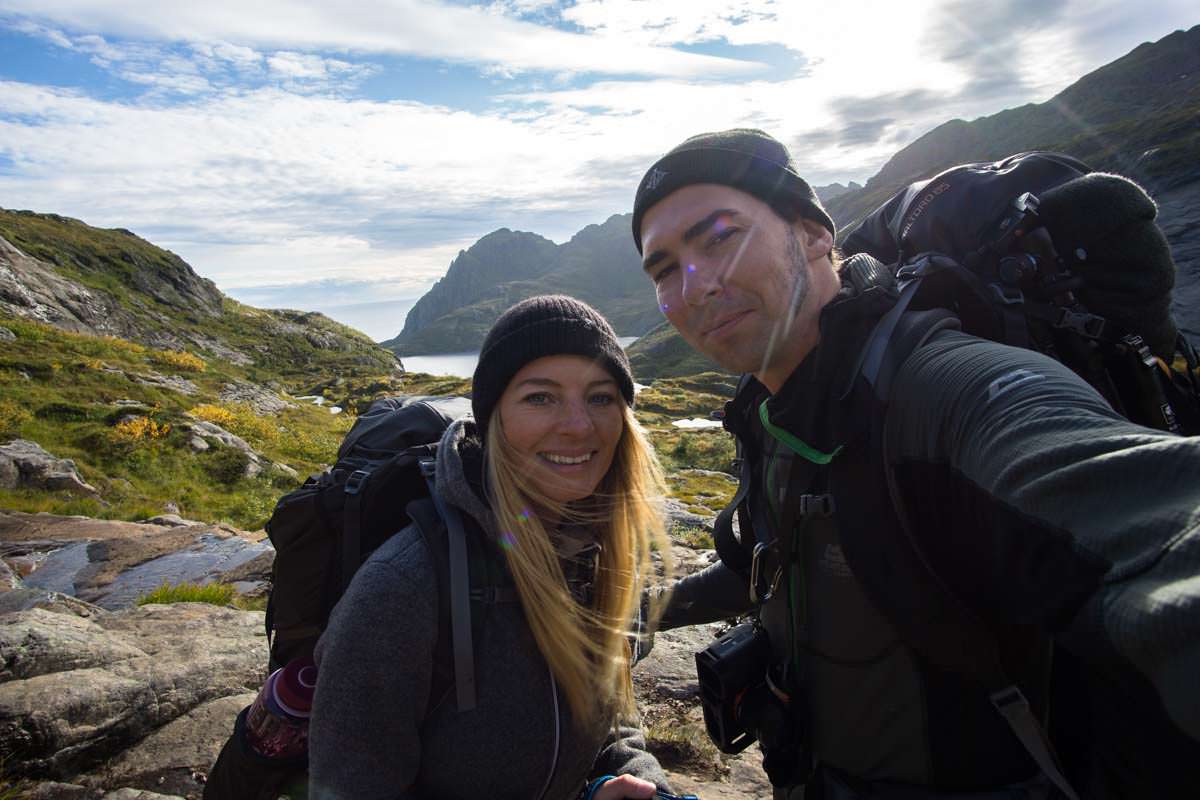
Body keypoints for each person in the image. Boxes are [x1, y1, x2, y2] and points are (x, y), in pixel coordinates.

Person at [630, 129, 1200, 798]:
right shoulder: (779, 408)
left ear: (815, 235)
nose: (693, 287)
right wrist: (640, 612)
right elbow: (774, 555)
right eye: (664, 268)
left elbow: (1158, 539)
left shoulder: (953, 394)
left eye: (719, 237)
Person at [308, 295, 676, 799]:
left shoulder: (599, 554)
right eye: (540, 398)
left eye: (601, 397)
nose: (579, 426)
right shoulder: (404, 587)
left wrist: (630, 778)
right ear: (493, 418)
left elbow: (610, 721)